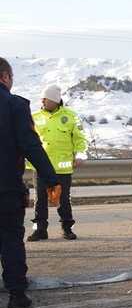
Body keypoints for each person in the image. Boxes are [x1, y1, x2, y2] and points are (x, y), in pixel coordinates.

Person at [0, 57, 61, 308]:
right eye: (11, 78)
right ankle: (17, 295)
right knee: (11, 239)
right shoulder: (13, 105)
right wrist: (52, 179)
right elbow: (31, 146)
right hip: (5, 188)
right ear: (5, 76)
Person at [26, 85, 87, 242]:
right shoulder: (35, 117)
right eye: (42, 99)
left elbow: (80, 138)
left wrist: (80, 155)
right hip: (40, 167)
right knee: (40, 200)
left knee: (63, 200)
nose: (42, 101)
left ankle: (67, 229)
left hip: (63, 168)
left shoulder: (71, 116)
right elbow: (27, 139)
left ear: (54, 100)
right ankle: (39, 230)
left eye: (45, 98)